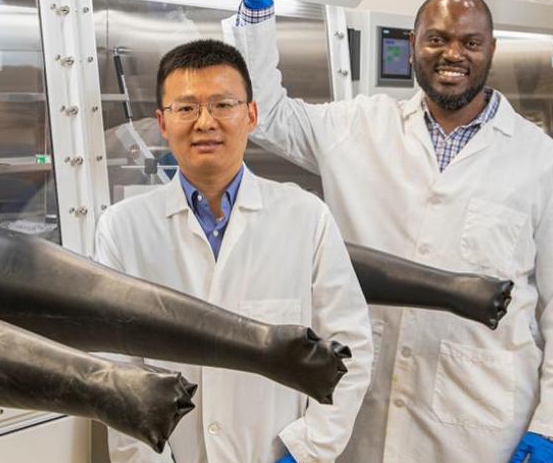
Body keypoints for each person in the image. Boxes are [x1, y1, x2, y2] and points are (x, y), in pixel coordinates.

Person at [225, 0, 553, 462]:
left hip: (479, 423)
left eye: (470, 42)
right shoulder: (357, 128)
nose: (453, 54)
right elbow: (266, 116)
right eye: (437, 39)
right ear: (413, 43)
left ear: (491, 49)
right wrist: (257, 11)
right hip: (362, 408)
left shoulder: (542, 164)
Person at [97, 39, 373, 463]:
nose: (205, 122)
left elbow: (349, 350)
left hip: (274, 452)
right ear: (163, 123)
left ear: (251, 115)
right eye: (186, 108)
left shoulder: (306, 216)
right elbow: (116, 372)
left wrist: (304, 451)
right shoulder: (122, 227)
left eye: (223, 105)